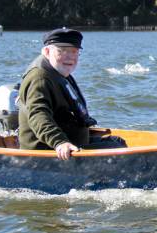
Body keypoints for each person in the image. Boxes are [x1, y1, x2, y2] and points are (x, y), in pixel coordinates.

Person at [18, 28, 125, 160]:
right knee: (115, 149)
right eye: (62, 51)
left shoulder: (58, 71)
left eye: (74, 51)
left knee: (117, 141)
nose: (69, 57)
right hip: (46, 150)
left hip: (72, 142)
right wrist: (59, 142)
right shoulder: (39, 78)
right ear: (47, 52)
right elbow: (38, 115)